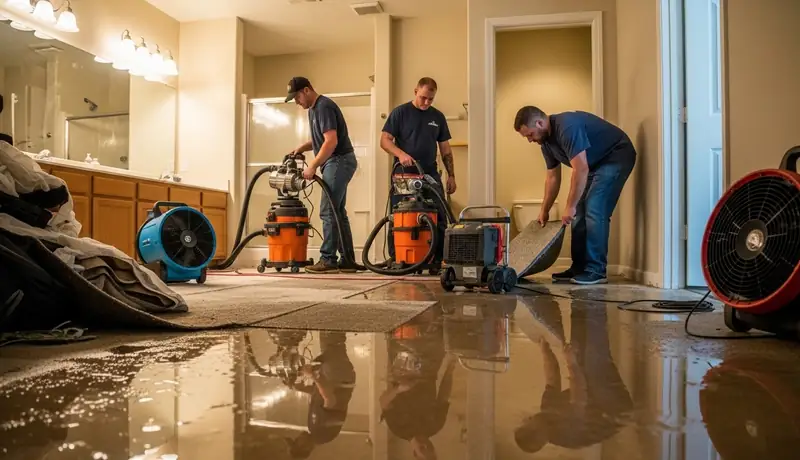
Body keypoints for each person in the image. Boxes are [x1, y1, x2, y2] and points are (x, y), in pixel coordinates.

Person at [514, 107, 636, 285]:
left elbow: (581, 168)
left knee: (594, 209)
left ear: (539, 123)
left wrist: (569, 206)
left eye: (530, 135)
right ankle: (579, 268)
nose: (530, 140)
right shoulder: (546, 143)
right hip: (594, 164)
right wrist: (544, 210)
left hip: (616, 155)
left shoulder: (567, 127)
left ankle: (596, 270)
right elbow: (552, 177)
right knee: (579, 214)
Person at [380, 77, 456, 274]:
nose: (426, 102)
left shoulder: (437, 117)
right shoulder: (400, 113)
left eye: (430, 99)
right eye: (423, 97)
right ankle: (398, 258)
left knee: (439, 215)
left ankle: (437, 260)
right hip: (404, 174)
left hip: (429, 173)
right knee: (399, 215)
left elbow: (446, 149)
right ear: (415, 91)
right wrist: (401, 154)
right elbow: (385, 141)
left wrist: (451, 176)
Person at [287, 77, 360, 274]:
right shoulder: (313, 110)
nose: (297, 102)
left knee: (328, 210)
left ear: (307, 90)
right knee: (338, 212)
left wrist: (312, 165)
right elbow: (321, 139)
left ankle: (328, 259)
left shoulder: (323, 106)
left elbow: (331, 142)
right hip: (339, 161)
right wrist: (303, 146)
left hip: (338, 160)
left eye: (297, 97)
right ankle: (347, 260)